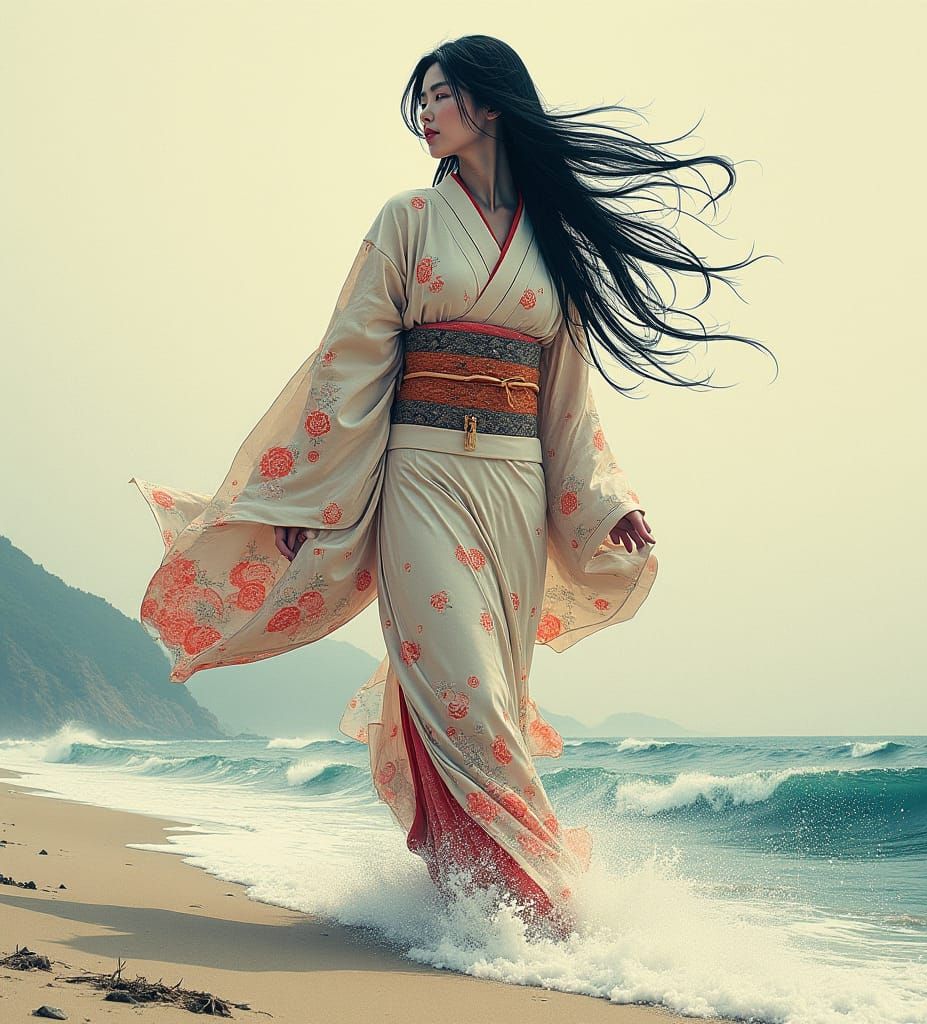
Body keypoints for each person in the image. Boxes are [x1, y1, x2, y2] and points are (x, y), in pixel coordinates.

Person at [129, 35, 771, 940]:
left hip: (514, 488)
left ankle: (474, 904)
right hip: (419, 480)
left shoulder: (553, 239)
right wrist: (309, 500)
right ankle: (553, 908)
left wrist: (605, 498)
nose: (424, 111)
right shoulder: (405, 221)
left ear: (492, 105)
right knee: (462, 693)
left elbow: (569, 394)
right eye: (420, 97)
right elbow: (349, 366)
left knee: (494, 700)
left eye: (441, 94)